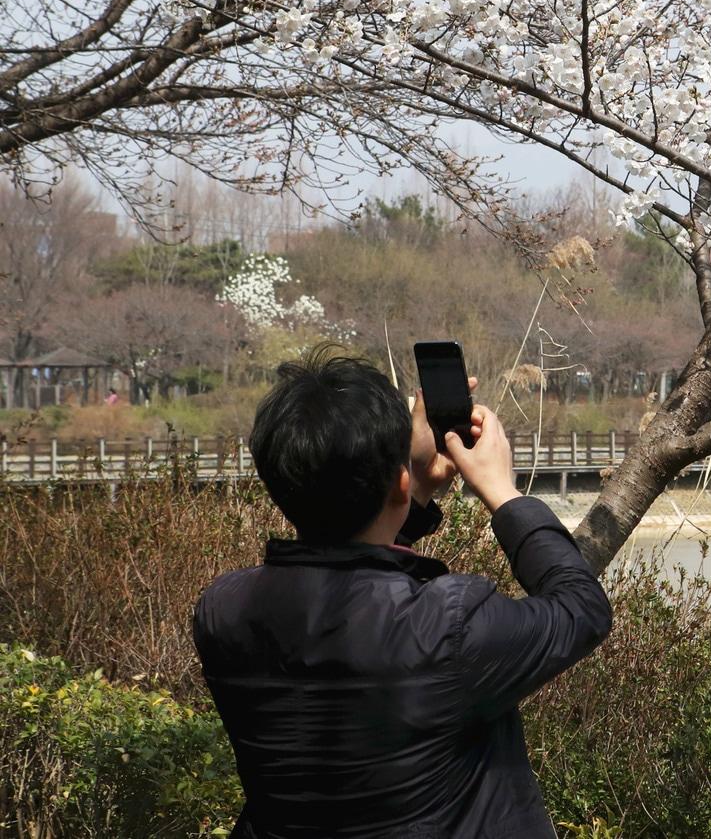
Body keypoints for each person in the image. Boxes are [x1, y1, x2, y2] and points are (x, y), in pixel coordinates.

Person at [192, 346, 611, 838]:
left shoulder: (225, 612)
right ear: (397, 480)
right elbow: (581, 608)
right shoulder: (447, 628)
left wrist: (408, 495)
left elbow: (353, 585)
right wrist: (503, 492)